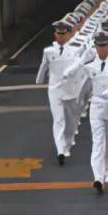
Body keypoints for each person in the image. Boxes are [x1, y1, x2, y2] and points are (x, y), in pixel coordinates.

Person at [35, 20, 84, 165]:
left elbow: (78, 68)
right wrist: (39, 80)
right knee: (58, 120)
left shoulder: (75, 50)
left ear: (69, 35)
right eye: (58, 33)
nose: (61, 36)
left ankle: (67, 144)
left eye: (63, 33)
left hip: (70, 90)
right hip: (54, 89)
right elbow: (43, 66)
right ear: (55, 34)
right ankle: (60, 150)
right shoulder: (48, 51)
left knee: (71, 121)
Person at [82, 32, 108, 193]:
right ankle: (98, 178)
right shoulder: (90, 66)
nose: (101, 49)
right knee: (98, 143)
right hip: (97, 108)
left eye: (104, 45)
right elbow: (85, 87)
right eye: (98, 46)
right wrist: (81, 103)